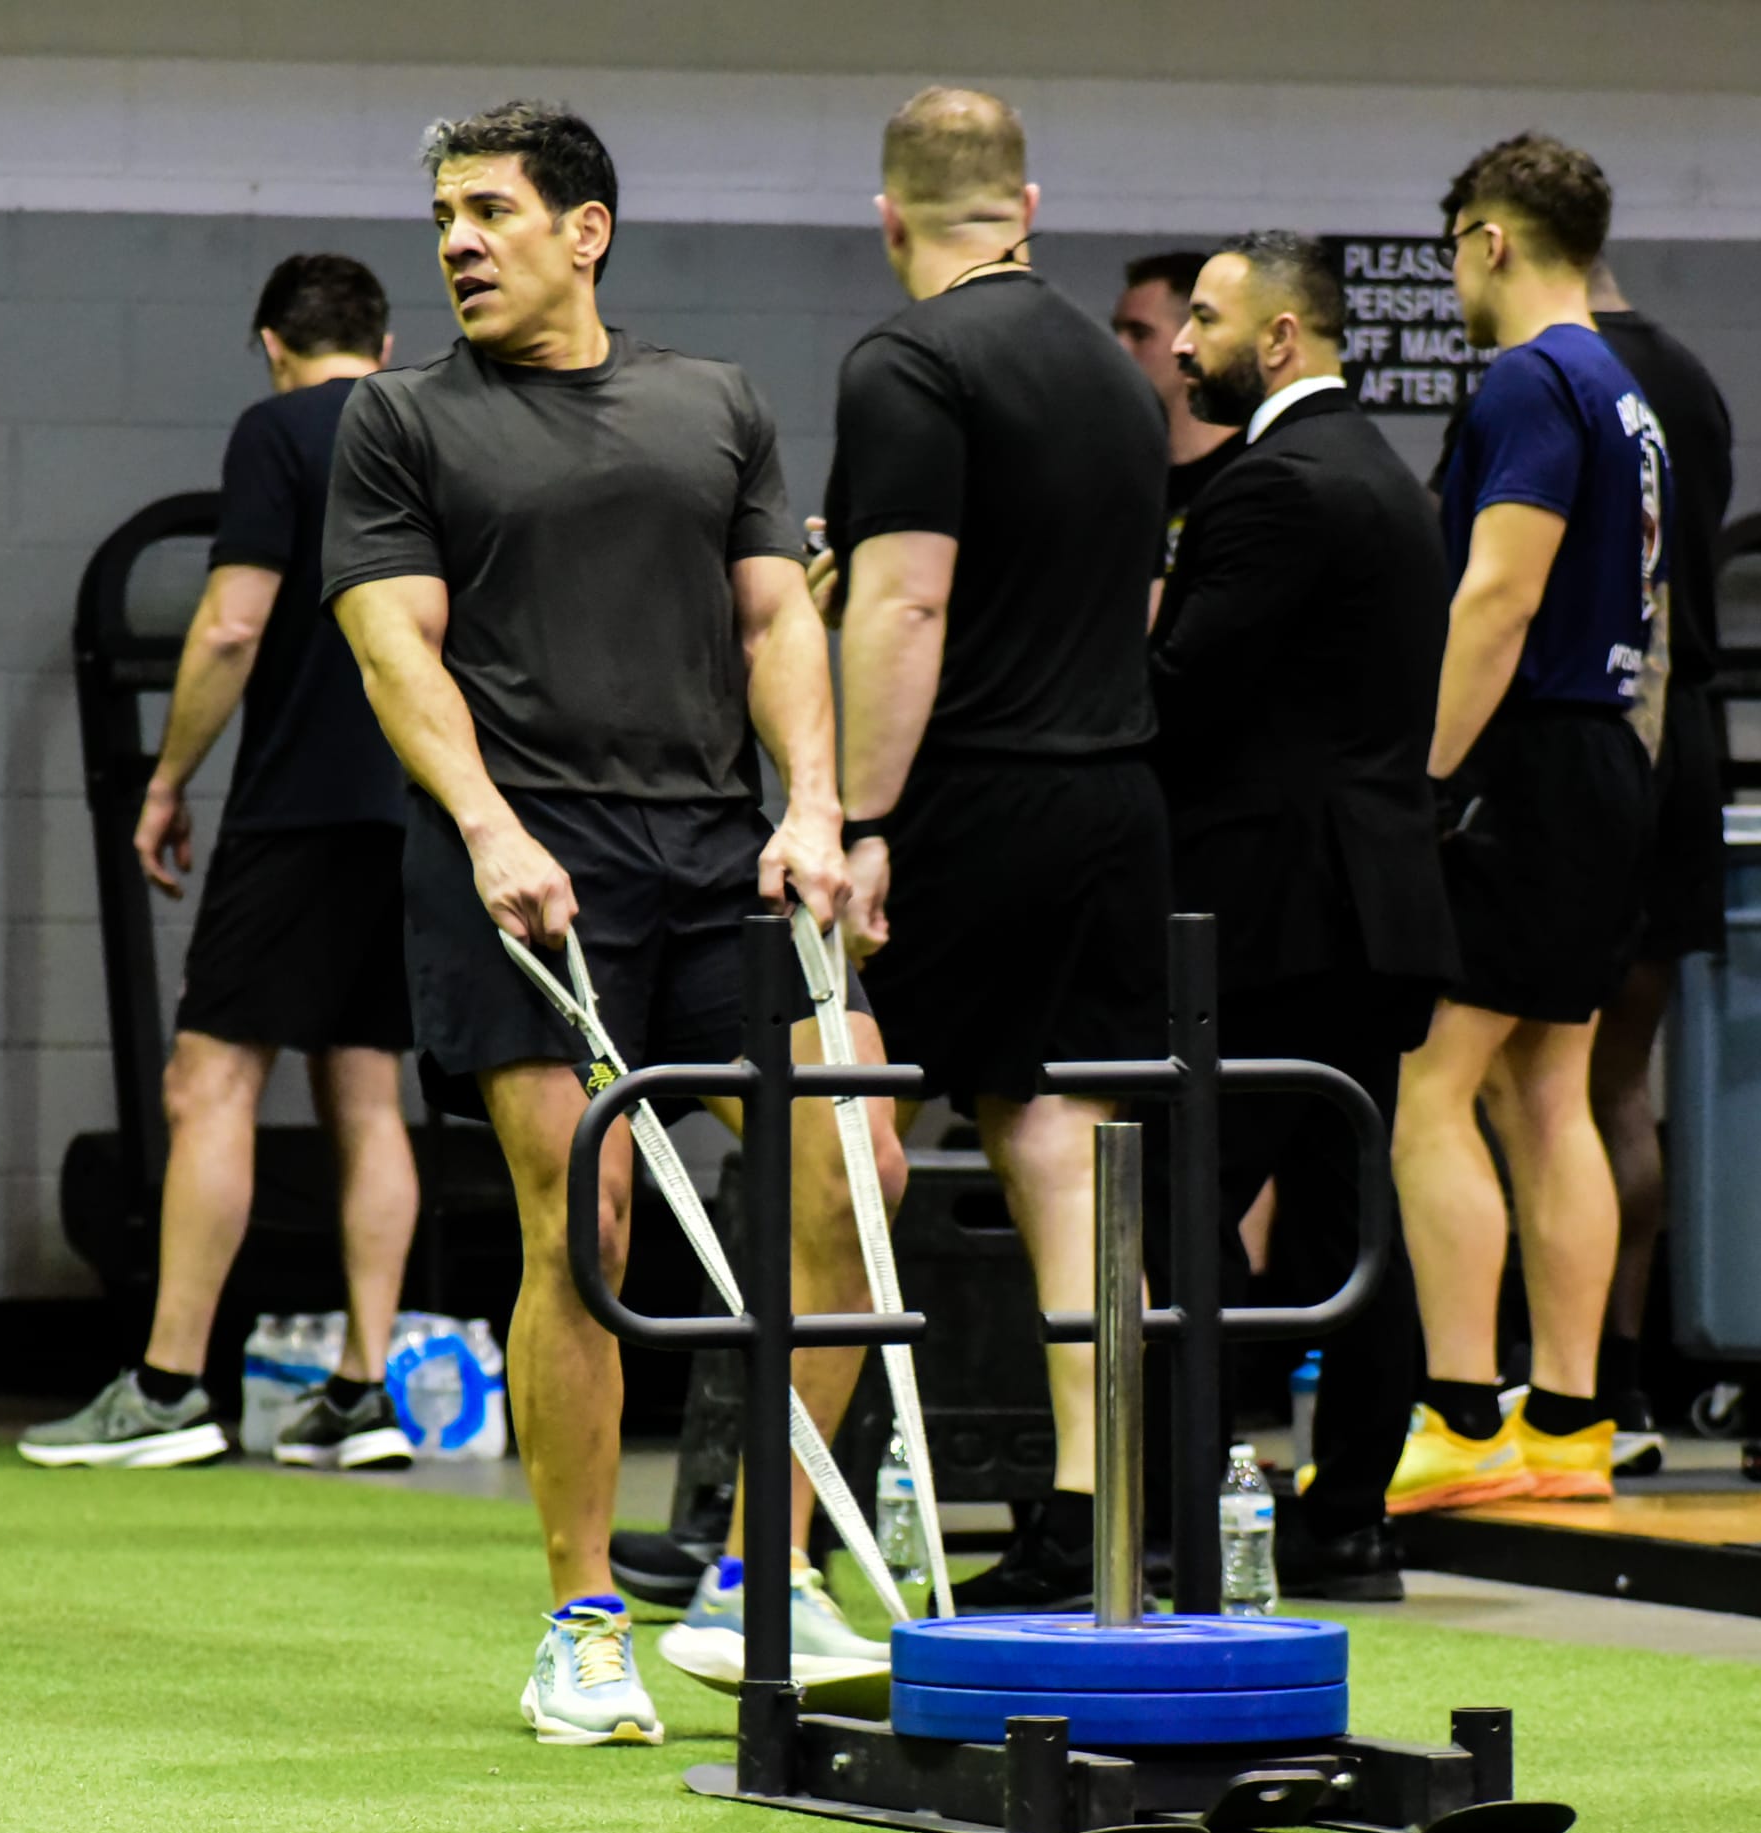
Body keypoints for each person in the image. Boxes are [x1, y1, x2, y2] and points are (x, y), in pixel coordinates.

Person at [322, 100, 905, 1747]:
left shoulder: (711, 404)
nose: (458, 242)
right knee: (587, 1222)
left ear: (585, 230)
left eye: (491, 210)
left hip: (721, 853)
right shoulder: (401, 421)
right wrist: (487, 825)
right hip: (527, 862)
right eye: (444, 216)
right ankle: (581, 1620)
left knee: (856, 1169)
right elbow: (393, 650)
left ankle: (758, 1577)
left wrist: (816, 807)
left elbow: (778, 619)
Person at [814, 86, 1170, 1612]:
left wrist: (860, 819)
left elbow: (905, 603)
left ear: (889, 218)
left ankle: (782, 1534)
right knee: (1066, 1144)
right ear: (1027, 209)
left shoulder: (909, 360)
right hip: (1115, 795)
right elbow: (1137, 599)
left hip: (968, 798)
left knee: (838, 1138)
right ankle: (1097, 1514)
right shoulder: (1121, 374)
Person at [22, 256, 419, 1477]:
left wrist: (167, 780)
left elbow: (235, 622)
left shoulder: (277, 431)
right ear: (384, 344)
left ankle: (167, 1386)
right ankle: (362, 1391)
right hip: (417, 810)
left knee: (207, 1085)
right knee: (366, 1093)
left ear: (271, 344)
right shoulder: (428, 428)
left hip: (297, 813)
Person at [1154, 232, 1456, 1599]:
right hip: (1374, 906)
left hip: (1276, 909)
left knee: (1178, 1197)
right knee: (1347, 1217)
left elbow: (1180, 696)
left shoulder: (1271, 485)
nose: (1181, 344)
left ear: (1280, 338)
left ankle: (1191, 1498)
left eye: (1206, 319)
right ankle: (1346, 1518)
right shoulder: (1386, 478)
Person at [1388, 133, 1669, 1514]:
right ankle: (1567, 1420)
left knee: (1429, 1086)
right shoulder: (1624, 388)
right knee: (1547, 1090)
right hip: (1604, 755)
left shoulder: (1526, 378)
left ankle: (1459, 1418)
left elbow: (1496, 597)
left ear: (1488, 240)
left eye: (1454, 253)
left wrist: (1425, 779)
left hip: (1523, 759)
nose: (1455, 282)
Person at [1580, 258, 1733, 1476]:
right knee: (1616, 1086)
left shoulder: (1548, 377)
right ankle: (1614, 1381)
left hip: (1596, 738)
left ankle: (1551, 1381)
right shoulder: (1691, 380)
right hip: (1682, 741)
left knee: (1534, 1090)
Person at [1111, 251, 1246, 572]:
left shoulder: (1255, 472)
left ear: (1193, 342)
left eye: (1140, 334)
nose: (1118, 349)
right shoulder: (1121, 474)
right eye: (1116, 332)